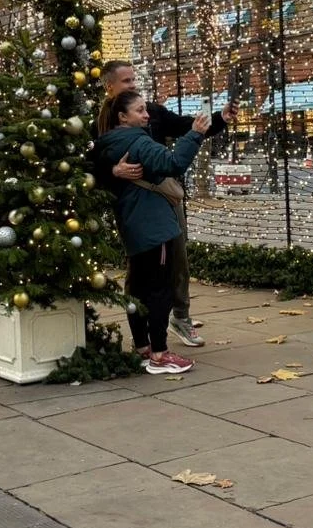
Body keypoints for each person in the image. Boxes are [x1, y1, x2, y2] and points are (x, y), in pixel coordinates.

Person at [99, 60, 236, 347]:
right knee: (143, 276)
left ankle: (176, 320)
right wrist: (113, 171)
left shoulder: (152, 114)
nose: (134, 85)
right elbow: (90, 165)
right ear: (109, 87)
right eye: (126, 81)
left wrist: (219, 118)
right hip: (135, 207)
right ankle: (151, 342)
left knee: (176, 262)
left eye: (134, 79)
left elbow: (186, 126)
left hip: (165, 199)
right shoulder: (102, 127)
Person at [94, 90, 211, 374]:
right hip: (155, 227)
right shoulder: (137, 141)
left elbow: (93, 171)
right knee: (159, 290)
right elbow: (172, 164)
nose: (147, 115)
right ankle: (160, 354)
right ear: (123, 116)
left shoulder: (103, 144)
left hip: (132, 226)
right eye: (140, 111)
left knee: (137, 288)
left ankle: (143, 347)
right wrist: (194, 135)